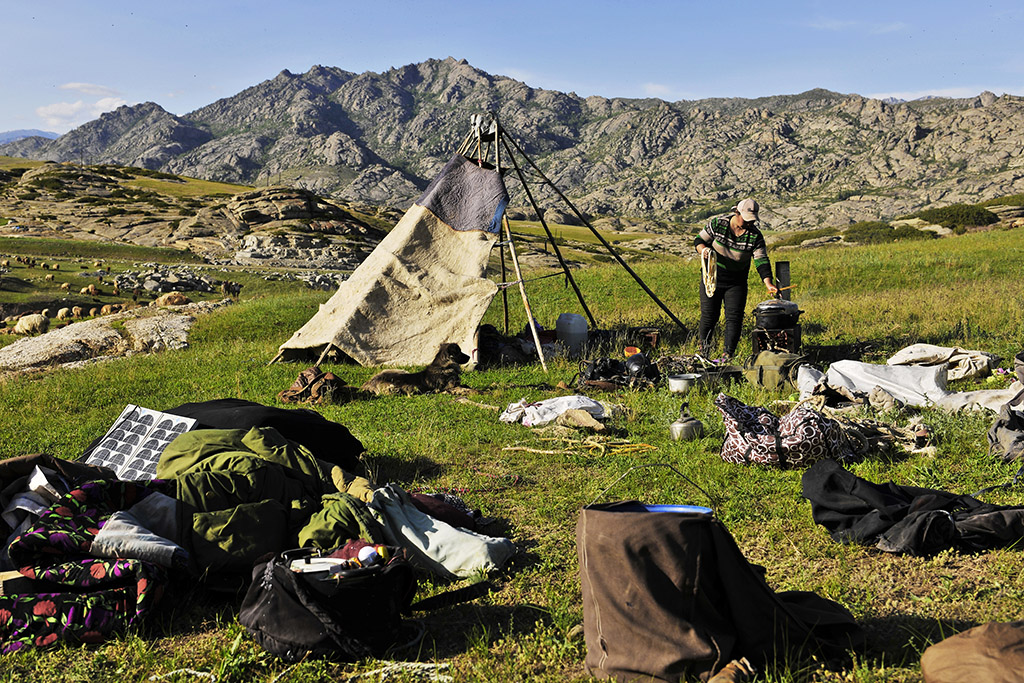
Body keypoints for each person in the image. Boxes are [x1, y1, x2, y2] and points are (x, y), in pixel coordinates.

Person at [693, 198, 778, 360]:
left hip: (736, 282)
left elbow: (761, 260)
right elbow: (699, 240)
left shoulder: (755, 236)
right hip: (712, 278)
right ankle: (704, 351)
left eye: (751, 221)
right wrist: (703, 250)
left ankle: (728, 354)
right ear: (736, 213)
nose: (749, 224)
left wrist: (768, 282)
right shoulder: (718, 224)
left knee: (734, 317)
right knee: (709, 315)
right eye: (746, 220)